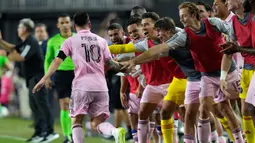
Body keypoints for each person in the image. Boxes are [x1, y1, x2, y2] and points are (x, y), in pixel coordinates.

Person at [121, 2, 244, 143]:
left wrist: (233, 41)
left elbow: (233, 32)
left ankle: (241, 138)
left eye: (184, 16)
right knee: (201, 111)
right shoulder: (183, 36)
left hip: (228, 72)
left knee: (238, 108)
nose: (182, 19)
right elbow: (157, 50)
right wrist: (134, 61)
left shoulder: (213, 23)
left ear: (193, 14)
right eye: (180, 17)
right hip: (204, 77)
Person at [32, 12, 126, 143]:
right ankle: (114, 131)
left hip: (82, 87)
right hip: (101, 87)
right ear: (89, 24)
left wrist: (44, 78)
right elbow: (111, 63)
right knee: (96, 123)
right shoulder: (101, 41)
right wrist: (129, 69)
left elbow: (57, 61)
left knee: (76, 122)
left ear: (74, 26)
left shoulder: (70, 40)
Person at [0, 18, 58, 143]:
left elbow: (20, 57)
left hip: (38, 77)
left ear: (25, 29)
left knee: (42, 105)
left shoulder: (31, 41)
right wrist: (1, 42)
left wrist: (6, 54)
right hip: (32, 77)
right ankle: (39, 132)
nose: (17, 29)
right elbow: (14, 48)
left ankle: (50, 131)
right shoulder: (26, 41)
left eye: (19, 27)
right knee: (35, 106)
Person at [44, 13, 75, 143]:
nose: (64, 25)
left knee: (76, 106)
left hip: (77, 73)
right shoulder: (52, 41)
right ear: (58, 25)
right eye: (62, 23)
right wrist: (47, 77)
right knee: (64, 104)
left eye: (67, 22)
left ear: (71, 24)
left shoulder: (78, 38)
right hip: (61, 74)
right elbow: (48, 60)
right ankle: (67, 136)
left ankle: (75, 133)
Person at [107, 23, 133, 140]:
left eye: (116, 34)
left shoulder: (131, 43)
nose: (113, 37)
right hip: (123, 78)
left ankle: (127, 131)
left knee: (123, 108)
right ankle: (129, 131)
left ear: (123, 33)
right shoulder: (113, 47)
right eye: (111, 35)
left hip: (135, 79)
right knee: (122, 107)